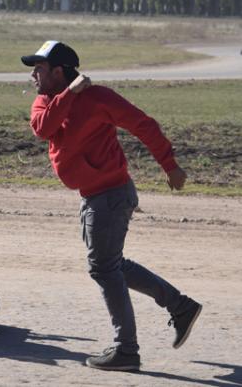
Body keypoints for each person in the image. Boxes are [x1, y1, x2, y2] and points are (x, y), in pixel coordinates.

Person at [20, 40, 202, 371]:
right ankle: (181, 307)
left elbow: (142, 124)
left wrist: (170, 165)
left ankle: (127, 350)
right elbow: (43, 129)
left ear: (59, 72)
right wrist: (69, 95)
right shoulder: (44, 102)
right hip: (93, 197)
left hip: (111, 195)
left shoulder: (98, 97)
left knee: (103, 267)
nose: (33, 75)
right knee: (110, 264)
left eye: (40, 69)